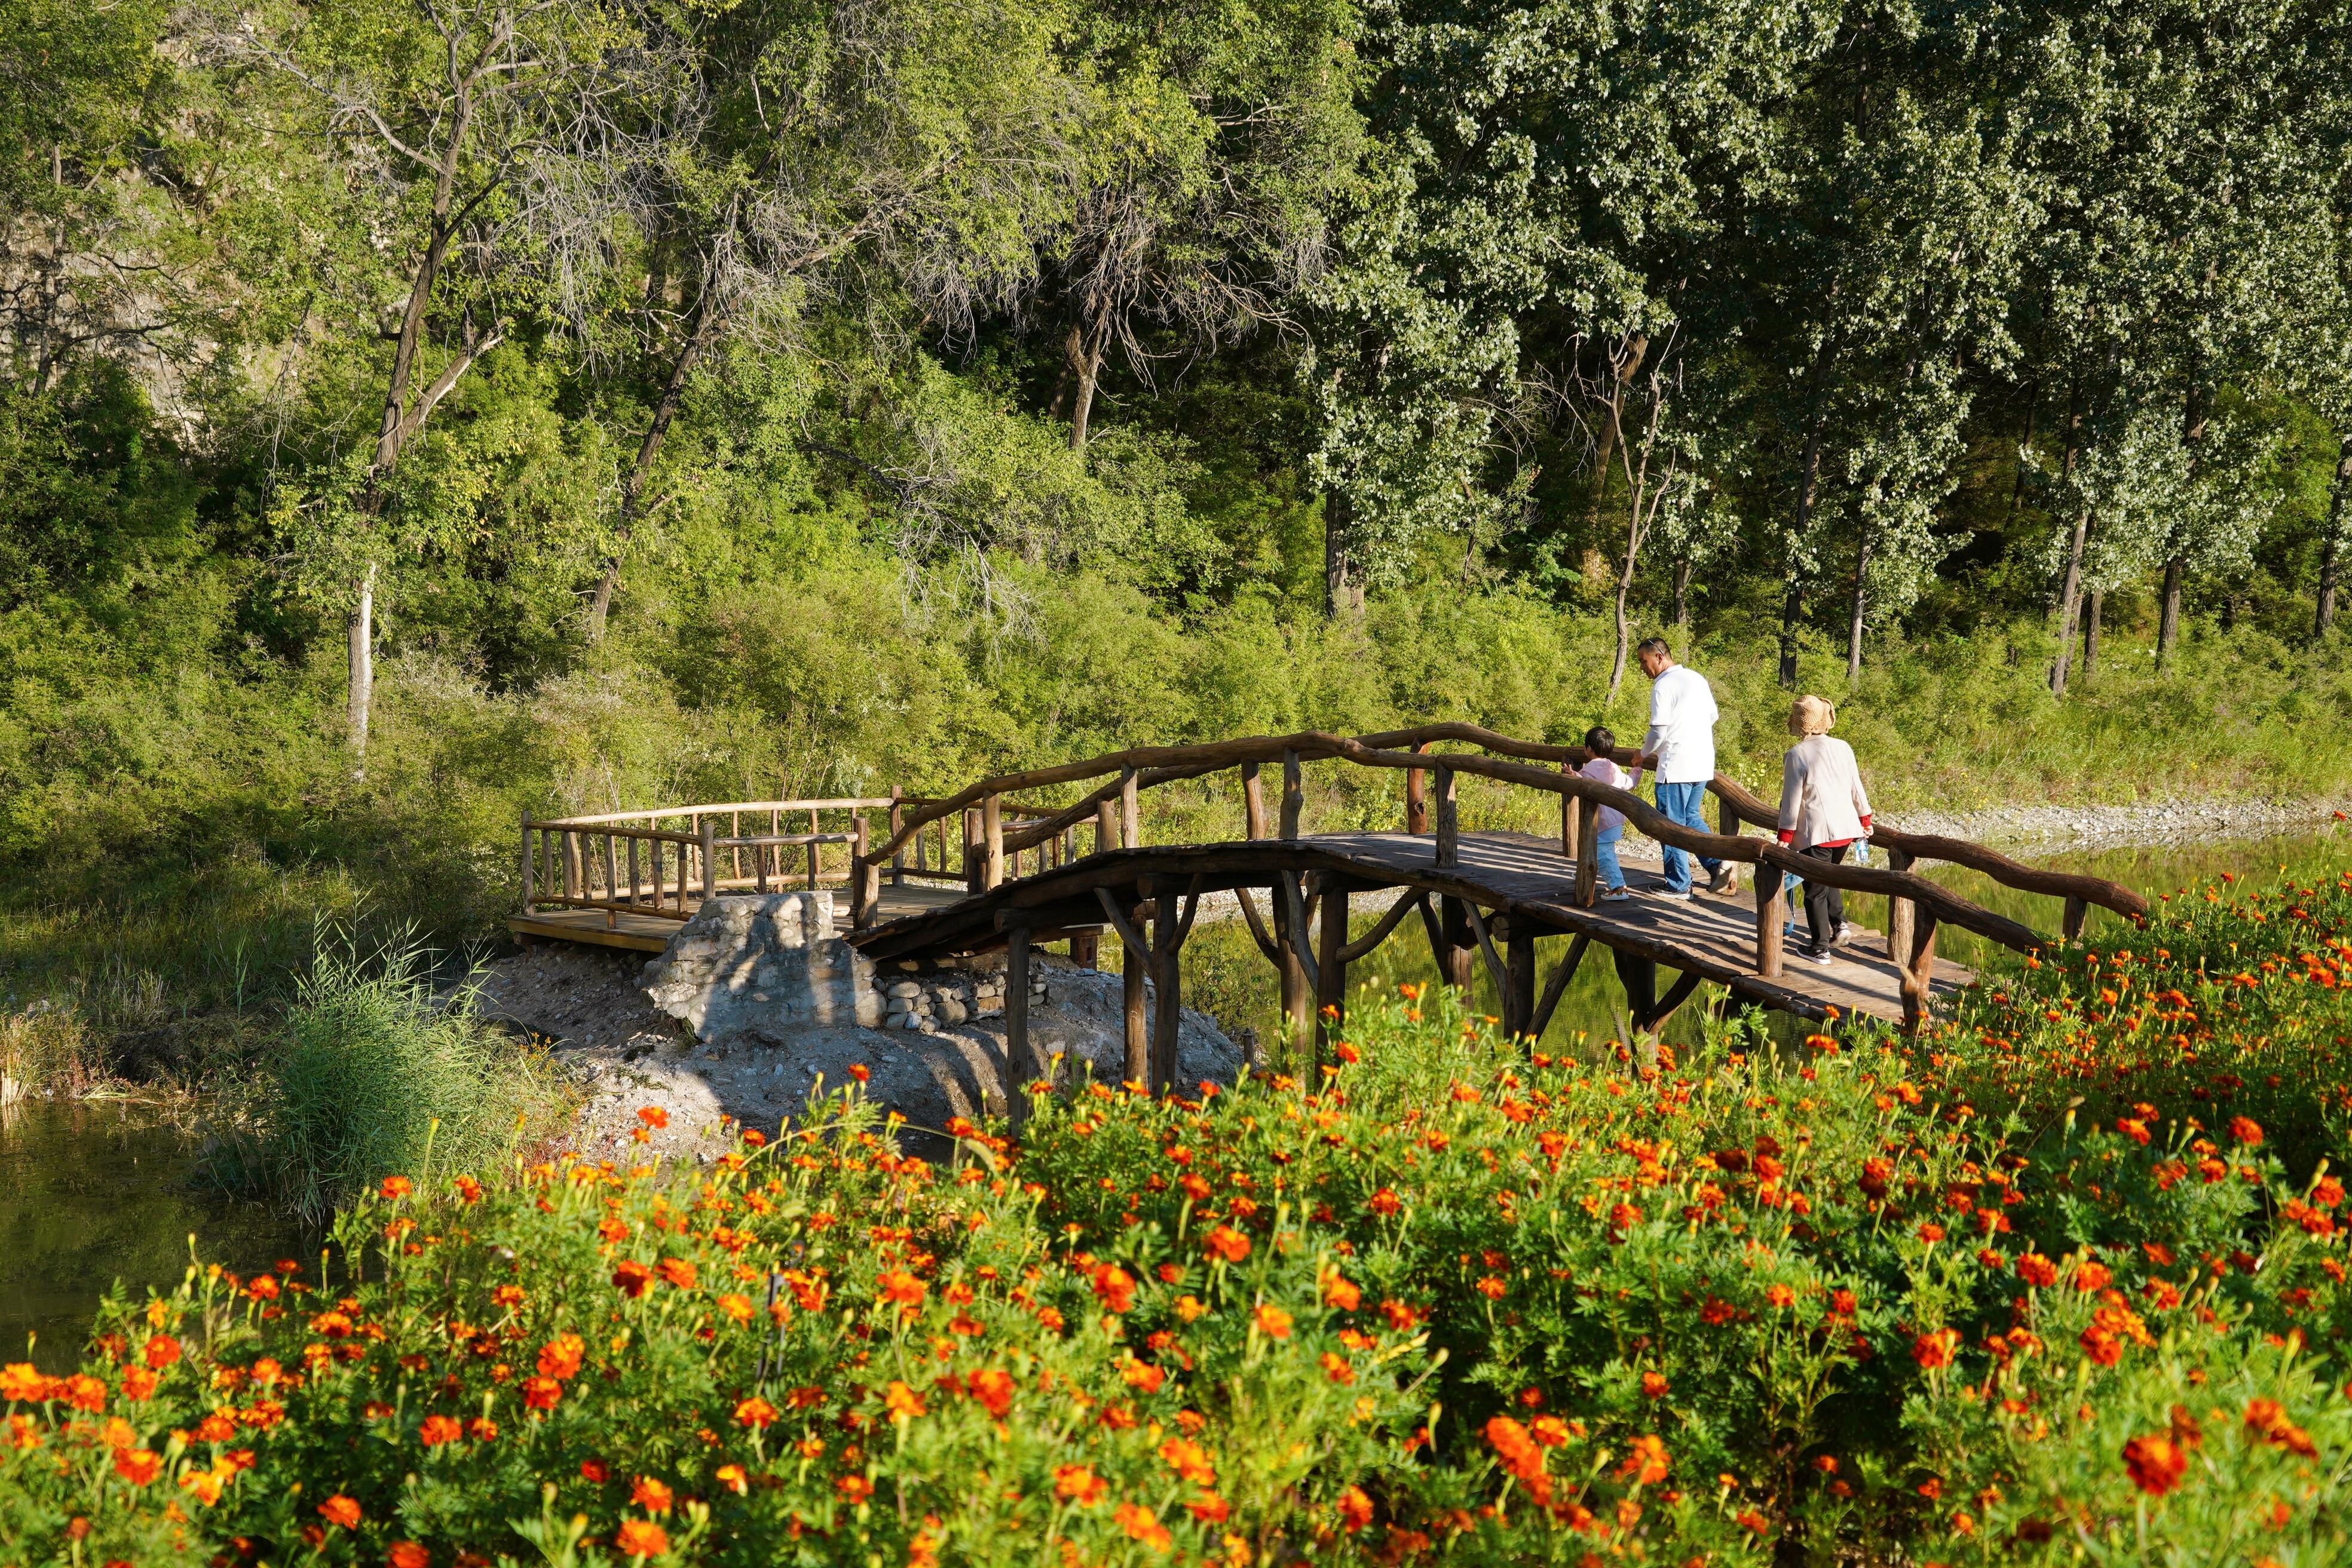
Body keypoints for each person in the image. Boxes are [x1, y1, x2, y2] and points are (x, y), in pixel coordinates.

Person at [1777, 694, 1873, 964]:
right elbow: (1857, 786)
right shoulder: (1843, 746)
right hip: (1846, 829)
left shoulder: (1797, 754)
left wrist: (1785, 835)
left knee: (1815, 890)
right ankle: (1840, 924)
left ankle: (1819, 948)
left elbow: (1793, 798)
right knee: (1827, 879)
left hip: (1817, 831)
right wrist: (1865, 820)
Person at [1633, 638, 1730, 899]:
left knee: (1670, 824)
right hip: (1701, 762)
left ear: (1660, 657)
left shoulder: (1663, 685)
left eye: (1644, 661)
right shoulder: (1696, 679)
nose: (1643, 667)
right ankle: (1718, 864)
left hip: (1675, 765)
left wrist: (1641, 754)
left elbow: (1658, 731)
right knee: (1690, 817)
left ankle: (1678, 885)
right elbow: (1713, 716)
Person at [1578, 725, 1642, 901]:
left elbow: (1583, 784)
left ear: (1589, 749)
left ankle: (1619, 888)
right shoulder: (1613, 767)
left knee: (1604, 855)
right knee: (1604, 852)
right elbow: (1628, 783)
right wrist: (1636, 770)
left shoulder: (1590, 769)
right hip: (1616, 819)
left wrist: (1572, 775)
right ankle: (1586, 876)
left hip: (1602, 820)